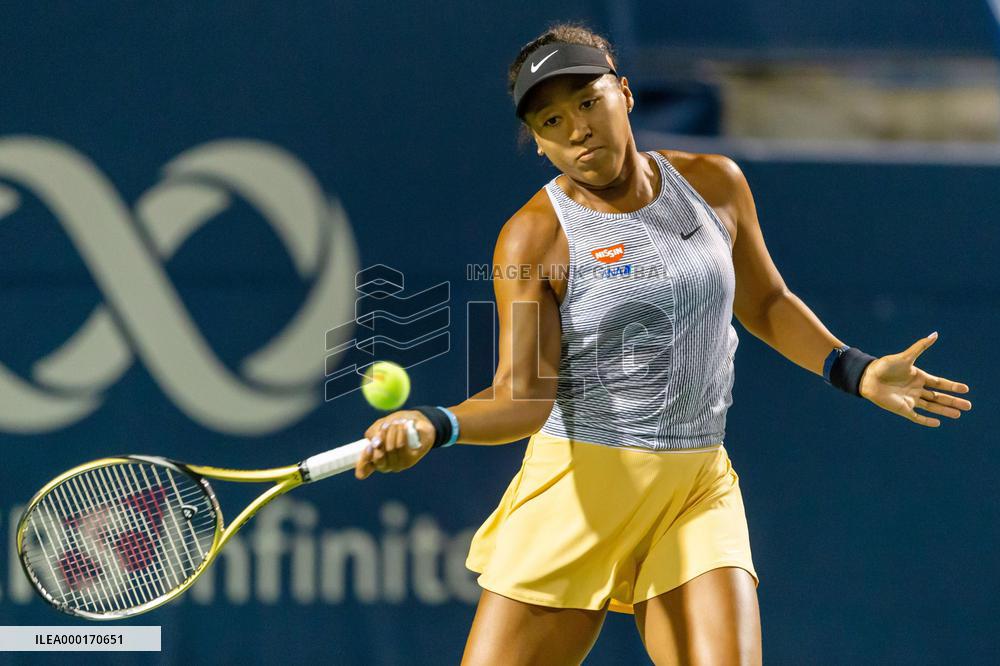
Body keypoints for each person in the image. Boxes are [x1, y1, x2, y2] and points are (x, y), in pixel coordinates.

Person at [353, 23, 973, 665]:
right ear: (538, 144)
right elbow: (521, 396)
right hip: (580, 495)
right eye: (552, 121)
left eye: (588, 103)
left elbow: (765, 302)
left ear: (623, 93)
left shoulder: (715, 184)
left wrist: (855, 370)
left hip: (695, 488)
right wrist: (434, 423)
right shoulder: (533, 238)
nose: (577, 131)